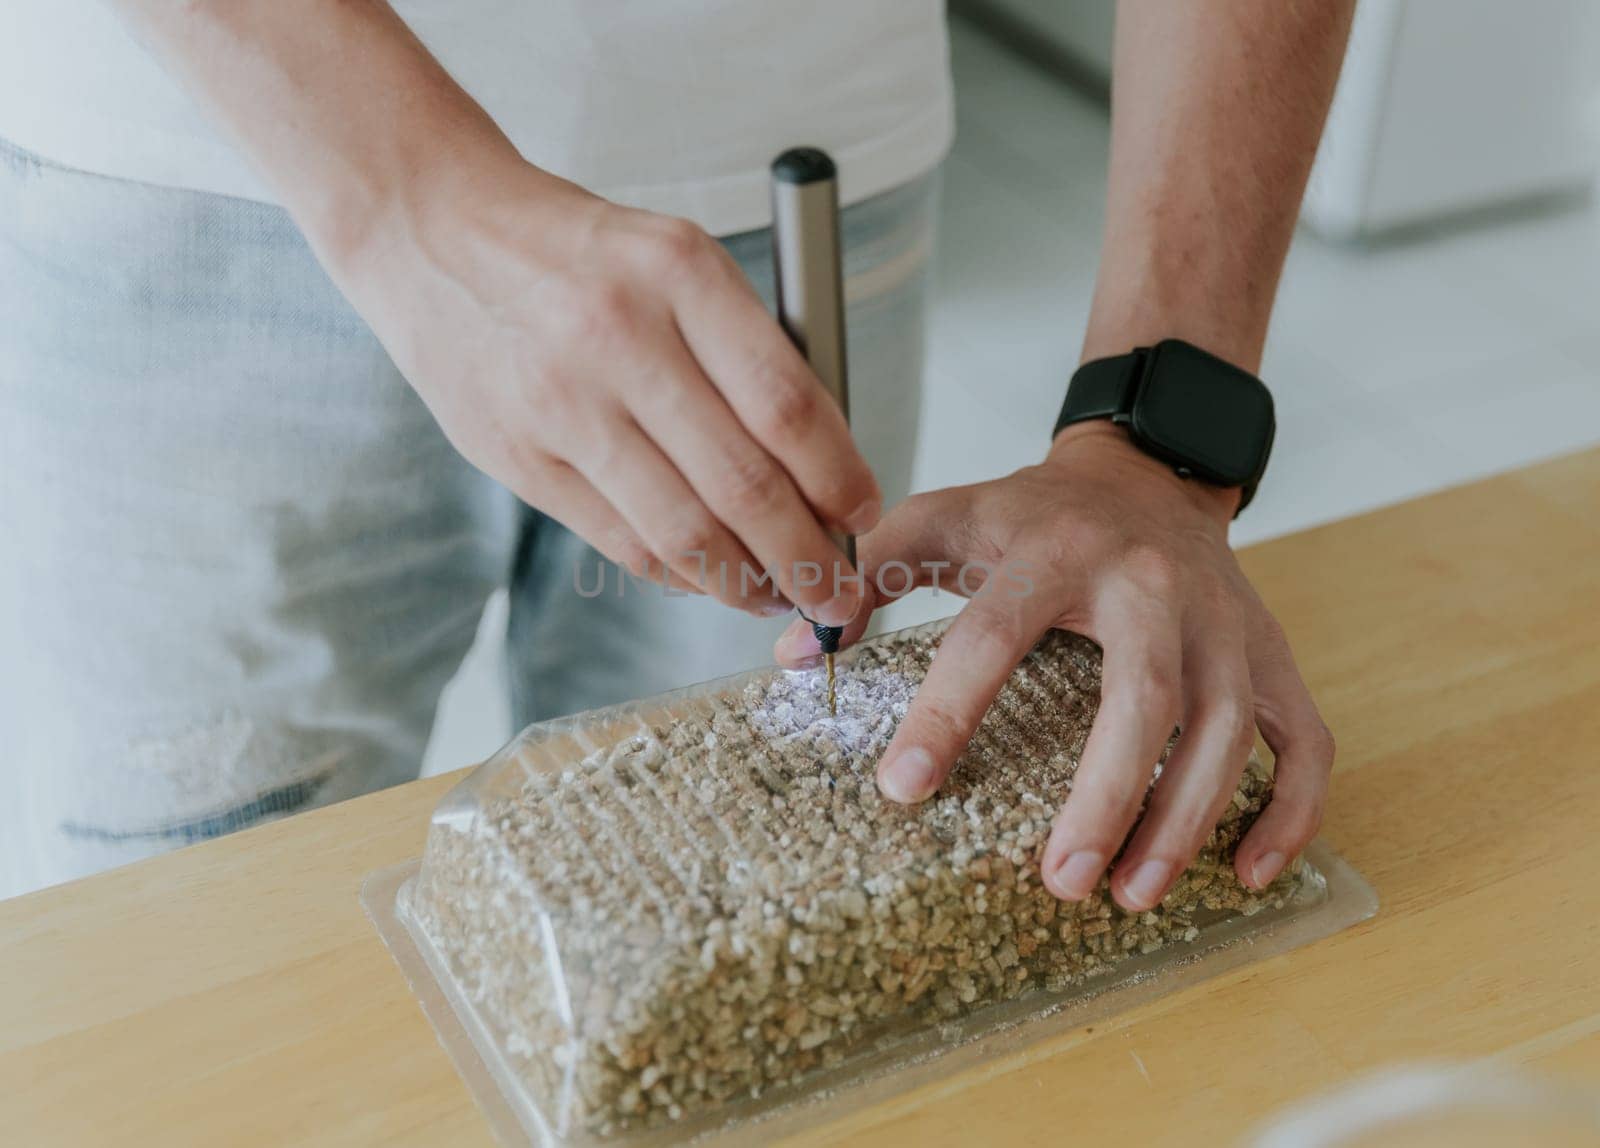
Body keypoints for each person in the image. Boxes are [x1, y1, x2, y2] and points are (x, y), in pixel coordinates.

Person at [0, 1, 1354, 904]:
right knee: (205, 954)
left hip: (804, 188)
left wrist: (1160, 424)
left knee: (740, 913)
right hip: (211, 154)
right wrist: (408, 195)